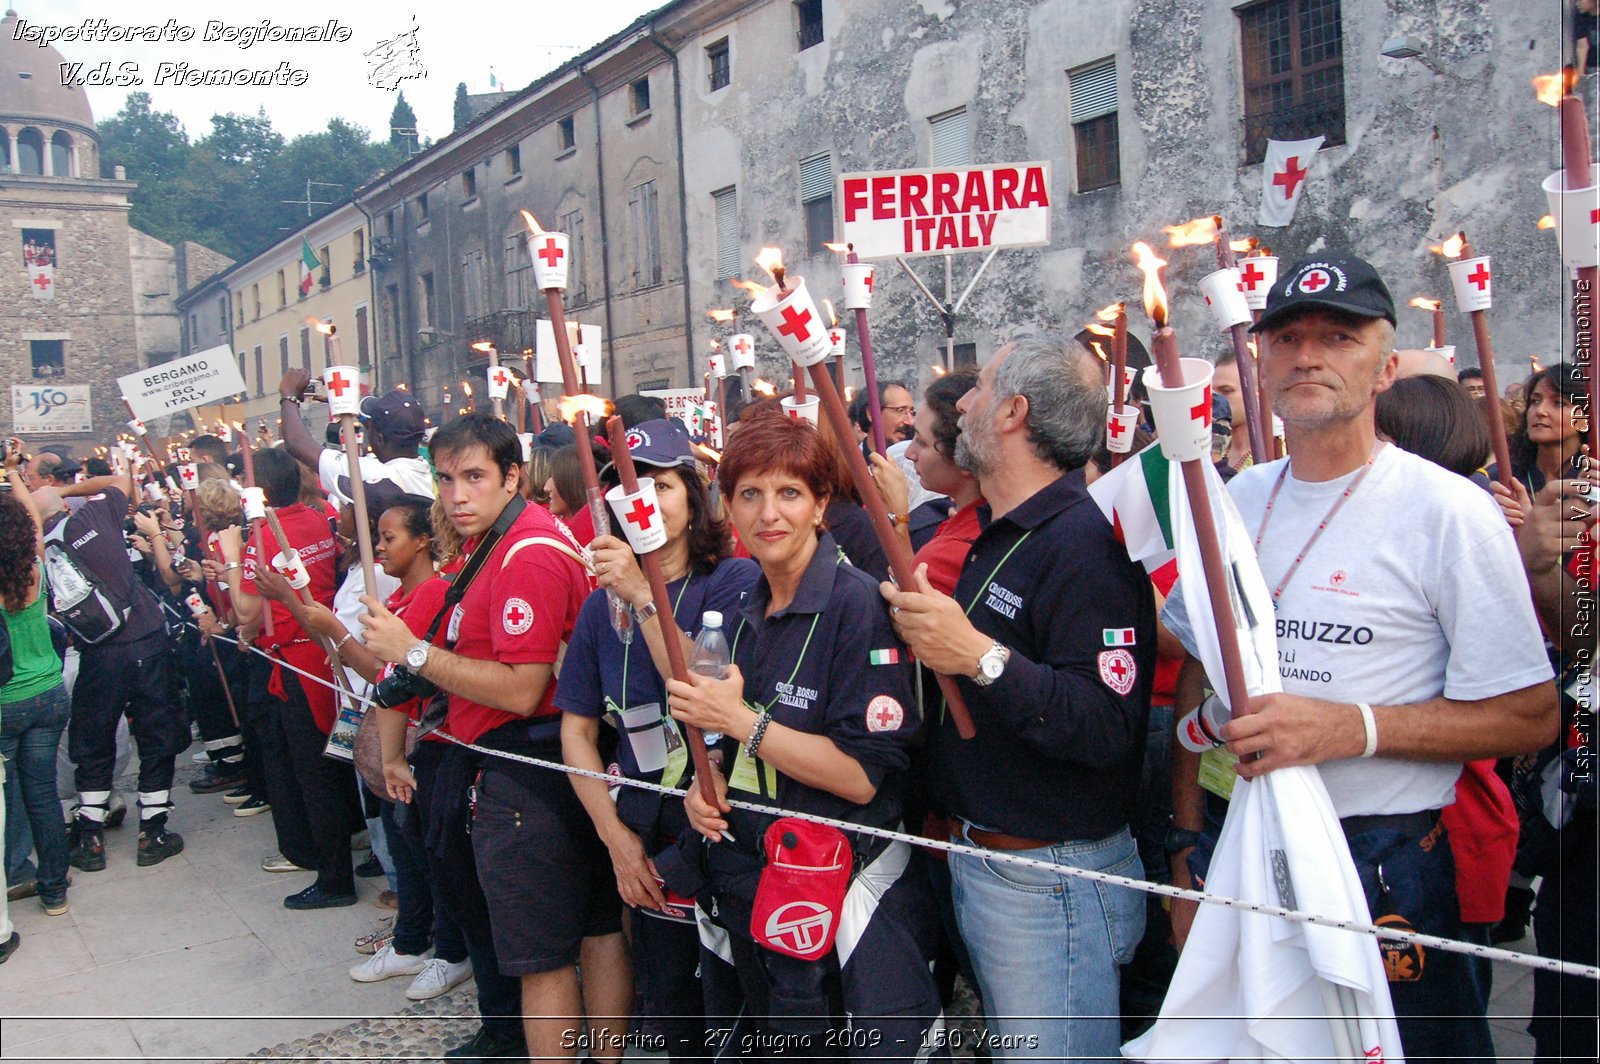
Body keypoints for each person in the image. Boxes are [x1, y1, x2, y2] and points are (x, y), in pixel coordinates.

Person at [1163, 251, 1558, 1062]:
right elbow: (1194, 671)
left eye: (1338, 338)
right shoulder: (1233, 501)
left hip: (1381, 862)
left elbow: (1530, 715)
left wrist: (1353, 728)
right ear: (1263, 361)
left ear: (1384, 367)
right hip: (1241, 843)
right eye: (1287, 337)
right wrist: (1186, 845)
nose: (1308, 355)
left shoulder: (1448, 511)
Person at [880, 333, 1154, 1062]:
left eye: (979, 390)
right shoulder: (1001, 534)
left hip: (1050, 883)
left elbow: (1103, 723)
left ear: (1013, 414)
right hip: (994, 864)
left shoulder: (1081, 544)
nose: (960, 403)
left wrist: (975, 654)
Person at [656, 408, 941, 1061]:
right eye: (750, 494)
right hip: (765, 883)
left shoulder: (857, 605)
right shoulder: (748, 603)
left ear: (821, 505)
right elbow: (740, 752)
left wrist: (741, 723)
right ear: (727, 507)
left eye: (789, 492)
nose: (768, 513)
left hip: (849, 893)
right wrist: (710, 790)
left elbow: (860, 775)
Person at [358, 413, 606, 1063]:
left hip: (529, 767)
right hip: (522, 762)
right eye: (445, 479)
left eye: (474, 477)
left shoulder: (527, 551)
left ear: (513, 476)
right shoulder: (492, 543)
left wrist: (411, 653)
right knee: (579, 937)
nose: (457, 495)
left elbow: (523, 689)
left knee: (542, 958)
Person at [561, 418, 757, 1064]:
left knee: (738, 1005)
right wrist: (616, 840)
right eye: (627, 485)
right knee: (672, 1001)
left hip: (721, 824)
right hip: (647, 829)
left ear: (694, 496)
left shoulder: (732, 583)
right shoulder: (599, 608)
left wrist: (645, 597)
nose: (643, 497)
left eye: (662, 484)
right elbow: (578, 730)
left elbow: (700, 693)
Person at [299, 495, 475, 1002]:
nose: (379, 546)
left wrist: (337, 632)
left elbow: (395, 676)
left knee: (427, 854)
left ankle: (447, 950)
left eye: (389, 537)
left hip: (422, 739)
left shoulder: (431, 594)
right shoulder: (397, 598)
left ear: (423, 540)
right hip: (389, 739)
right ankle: (410, 939)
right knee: (406, 850)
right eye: (377, 536)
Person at [223, 446, 359, 909]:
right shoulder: (317, 518)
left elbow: (245, 609)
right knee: (332, 763)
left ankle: (334, 876)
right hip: (324, 654)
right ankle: (346, 843)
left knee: (313, 773)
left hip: (300, 662)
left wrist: (227, 557)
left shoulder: (261, 538)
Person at [38, 465, 187, 872]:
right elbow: (121, 482)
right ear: (65, 505)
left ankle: (90, 837)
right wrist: (65, 487)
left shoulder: (39, 547)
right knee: (156, 733)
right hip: (145, 638)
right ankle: (152, 831)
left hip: (98, 651)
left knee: (94, 736)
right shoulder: (91, 517)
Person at [1, 439, 70, 915]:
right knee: (43, 793)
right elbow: (28, 518)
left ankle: (14, 872)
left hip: (6, 702)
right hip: (48, 692)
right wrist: (12, 474)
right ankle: (55, 891)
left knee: (8, 797)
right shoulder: (35, 568)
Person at [1503, 362, 1587, 494]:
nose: (1540, 411)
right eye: (1535, 401)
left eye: (1559, 403)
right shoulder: (1504, 476)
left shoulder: (1592, 476)